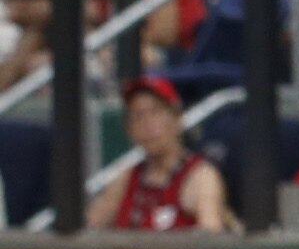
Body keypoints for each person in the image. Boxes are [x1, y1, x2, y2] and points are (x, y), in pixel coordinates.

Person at [88, 76, 240, 233]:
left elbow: (212, 238)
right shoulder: (125, 180)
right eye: (137, 116)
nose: (147, 124)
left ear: (177, 118)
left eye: (155, 112)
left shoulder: (200, 178)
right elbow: (87, 230)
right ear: (129, 129)